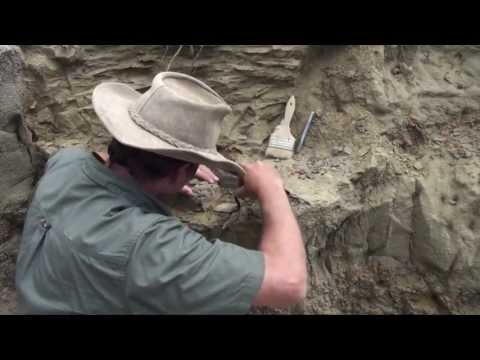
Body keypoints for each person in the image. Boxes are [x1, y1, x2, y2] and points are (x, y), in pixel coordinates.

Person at [15, 72, 307, 314]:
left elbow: (101, 161)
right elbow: (290, 284)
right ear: (182, 173)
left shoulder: (66, 164)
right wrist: (272, 190)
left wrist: (159, 176)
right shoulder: (154, 247)